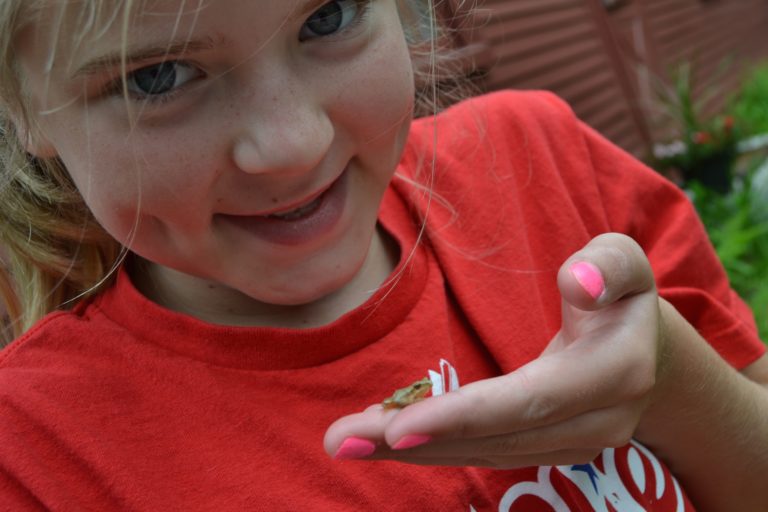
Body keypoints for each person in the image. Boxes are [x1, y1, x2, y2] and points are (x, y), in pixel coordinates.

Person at [0, 0, 766, 510]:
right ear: (21, 108)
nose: (293, 145)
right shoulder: (33, 454)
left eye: (327, 17)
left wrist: (673, 384)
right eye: (156, 77)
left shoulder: (545, 164)